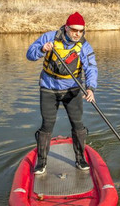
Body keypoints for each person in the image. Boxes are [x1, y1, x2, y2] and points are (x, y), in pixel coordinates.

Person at [26, 12, 97, 175]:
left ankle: (80, 159)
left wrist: (90, 88)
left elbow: (91, 68)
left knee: (77, 124)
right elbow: (29, 54)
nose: (77, 34)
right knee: (47, 124)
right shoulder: (49, 38)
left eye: (81, 31)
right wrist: (41, 49)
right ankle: (41, 162)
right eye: (74, 30)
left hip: (72, 89)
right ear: (66, 28)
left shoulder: (84, 46)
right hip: (49, 88)